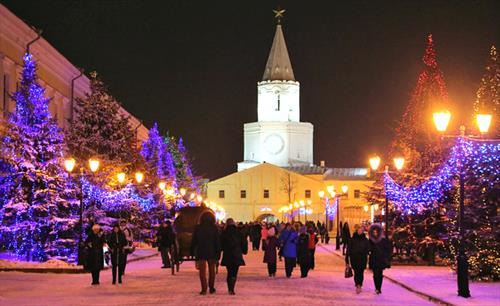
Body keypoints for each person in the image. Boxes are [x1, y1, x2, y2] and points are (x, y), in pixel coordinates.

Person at [191, 212, 221, 295]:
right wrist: (218, 253)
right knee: (212, 271)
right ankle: (211, 288)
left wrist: (192, 251)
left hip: (201, 251)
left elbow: (194, 241)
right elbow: (217, 242)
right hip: (212, 252)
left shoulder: (198, 228)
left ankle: (204, 289)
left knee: (202, 272)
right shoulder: (214, 228)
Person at [220, 218, 247, 295]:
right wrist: (244, 251)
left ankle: (230, 288)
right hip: (237, 254)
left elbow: (221, 244)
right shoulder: (239, 232)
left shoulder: (224, 233)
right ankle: (232, 288)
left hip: (227, 254)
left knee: (229, 271)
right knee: (234, 272)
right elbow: (243, 242)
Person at [345, 224, 370, 293]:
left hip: (362, 258)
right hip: (354, 258)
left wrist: (366, 252)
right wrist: (347, 259)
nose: (360, 231)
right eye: (359, 230)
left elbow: (368, 249)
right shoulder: (352, 239)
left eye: (361, 230)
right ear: (357, 230)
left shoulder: (365, 240)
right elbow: (349, 249)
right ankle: (357, 284)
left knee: (361, 272)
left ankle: (360, 284)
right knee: (356, 272)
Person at [368, 224, 392, 294]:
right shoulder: (371, 240)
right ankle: (376, 288)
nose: (375, 233)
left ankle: (379, 288)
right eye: (374, 232)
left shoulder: (383, 240)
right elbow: (368, 249)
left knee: (380, 274)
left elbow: (387, 249)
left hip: (381, 259)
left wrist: (387, 257)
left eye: (376, 232)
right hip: (374, 259)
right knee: (375, 274)